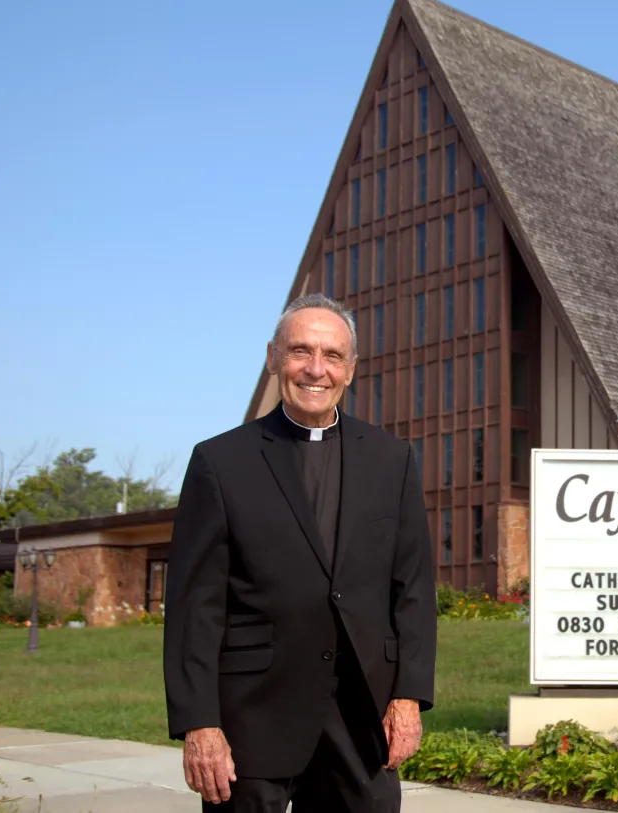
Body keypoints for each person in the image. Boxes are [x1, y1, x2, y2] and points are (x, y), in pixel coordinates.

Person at [163, 293, 437, 812]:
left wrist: (408, 697)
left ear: (351, 369)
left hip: (361, 718)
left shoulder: (391, 460)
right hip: (252, 718)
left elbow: (414, 591)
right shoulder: (220, 462)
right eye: (300, 351)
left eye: (332, 355)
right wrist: (200, 723)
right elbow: (194, 606)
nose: (316, 369)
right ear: (273, 358)